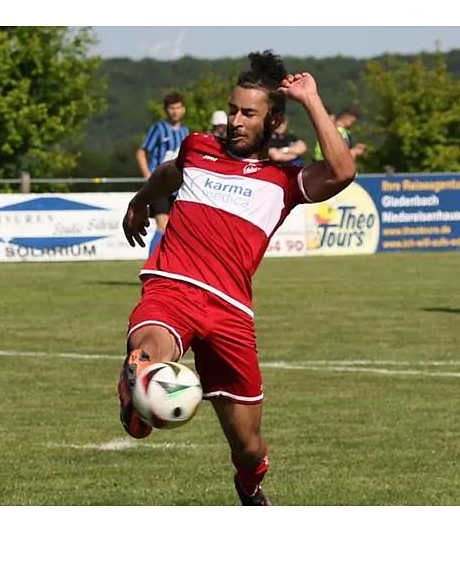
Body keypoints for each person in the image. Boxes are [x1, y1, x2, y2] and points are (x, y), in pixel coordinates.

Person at [119, 51, 356, 506]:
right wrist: (140, 201)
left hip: (231, 314)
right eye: (232, 110)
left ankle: (249, 487)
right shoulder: (198, 147)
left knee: (248, 447)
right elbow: (170, 172)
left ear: (274, 122)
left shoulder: (286, 180)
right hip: (174, 285)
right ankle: (140, 374)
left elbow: (343, 171)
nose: (236, 120)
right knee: (151, 344)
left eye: (249, 113)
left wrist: (311, 98)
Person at [136, 92, 189, 252]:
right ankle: (152, 268)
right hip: (160, 186)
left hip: (178, 187)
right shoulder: (159, 128)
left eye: (178, 107)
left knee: (176, 230)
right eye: (172, 108)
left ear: (183, 109)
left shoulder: (185, 132)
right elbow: (141, 152)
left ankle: (167, 268)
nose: (175, 111)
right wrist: (148, 176)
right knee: (162, 227)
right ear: (166, 110)